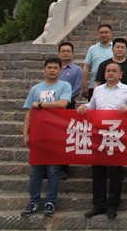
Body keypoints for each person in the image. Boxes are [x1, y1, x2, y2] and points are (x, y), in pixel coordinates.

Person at [78, 62, 127, 219]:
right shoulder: (98, 90)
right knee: (98, 171)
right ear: (104, 74)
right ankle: (98, 204)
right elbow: (92, 105)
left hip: (116, 135)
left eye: (114, 71)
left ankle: (112, 205)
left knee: (115, 171)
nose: (111, 73)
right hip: (98, 135)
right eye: (108, 71)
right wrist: (84, 106)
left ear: (120, 74)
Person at [20, 57, 71, 218]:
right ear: (44, 69)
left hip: (56, 133)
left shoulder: (64, 86)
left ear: (60, 70)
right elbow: (29, 111)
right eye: (49, 67)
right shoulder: (36, 89)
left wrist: (41, 105)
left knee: (53, 170)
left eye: (55, 68)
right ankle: (34, 201)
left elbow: (63, 104)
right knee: (35, 170)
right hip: (38, 133)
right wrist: (25, 133)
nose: (52, 70)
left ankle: (50, 201)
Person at [56, 41, 83, 181]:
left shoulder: (77, 70)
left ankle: (63, 168)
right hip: (51, 108)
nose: (65, 53)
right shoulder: (53, 68)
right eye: (63, 51)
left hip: (68, 106)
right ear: (58, 53)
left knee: (66, 138)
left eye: (68, 51)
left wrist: (63, 100)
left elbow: (77, 88)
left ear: (72, 54)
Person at [82, 23, 113, 99]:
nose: (103, 34)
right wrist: (84, 85)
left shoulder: (116, 48)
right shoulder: (92, 48)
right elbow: (86, 67)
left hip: (112, 84)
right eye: (101, 33)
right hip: (94, 84)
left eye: (106, 32)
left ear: (111, 34)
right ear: (98, 34)